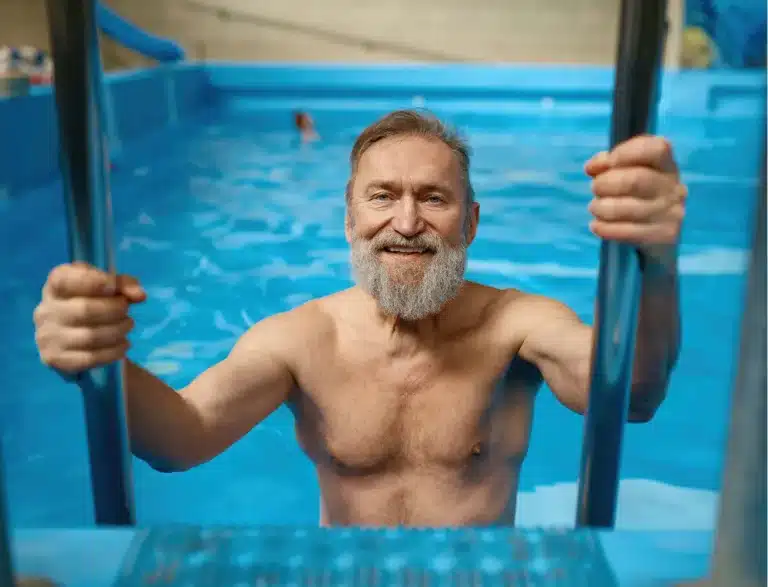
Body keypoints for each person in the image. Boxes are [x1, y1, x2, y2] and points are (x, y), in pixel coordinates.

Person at [33, 110, 684, 527]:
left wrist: (654, 263)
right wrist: (98, 358)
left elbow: (633, 393)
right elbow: (180, 438)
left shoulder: (517, 327)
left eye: (433, 197)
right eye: (383, 197)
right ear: (349, 219)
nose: (406, 223)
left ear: (472, 222)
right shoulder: (302, 340)